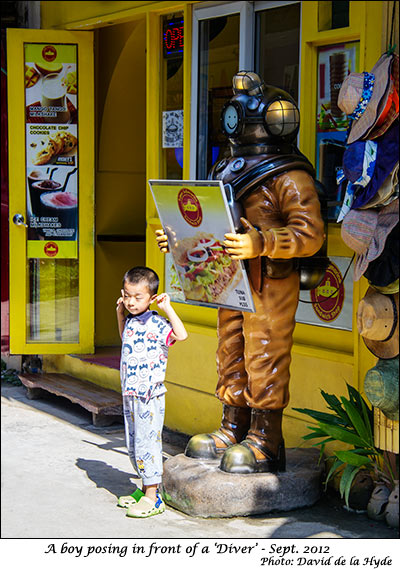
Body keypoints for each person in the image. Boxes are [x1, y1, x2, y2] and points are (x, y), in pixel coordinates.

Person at [156, 71, 325, 475]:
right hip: (229, 279)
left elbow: (310, 233)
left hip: (270, 279)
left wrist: (262, 243)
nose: (236, 122)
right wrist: (180, 239)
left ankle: (266, 438)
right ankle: (233, 426)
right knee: (230, 348)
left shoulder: (289, 176)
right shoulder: (229, 167)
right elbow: (212, 220)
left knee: (264, 350)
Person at [115, 266, 187, 517]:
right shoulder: (132, 321)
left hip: (149, 396)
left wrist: (168, 308)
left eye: (138, 297)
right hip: (131, 394)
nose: (131, 302)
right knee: (134, 443)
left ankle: (153, 497)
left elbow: (181, 334)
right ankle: (144, 487)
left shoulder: (157, 323)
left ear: (151, 296)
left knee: (148, 443)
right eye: (127, 295)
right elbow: (125, 339)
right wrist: (120, 314)